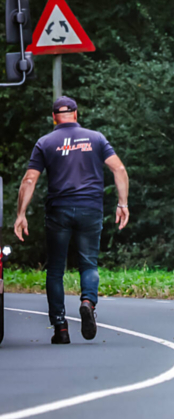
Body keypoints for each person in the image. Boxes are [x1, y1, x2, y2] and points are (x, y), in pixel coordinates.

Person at [13, 97, 129, 344]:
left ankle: (60, 328)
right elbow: (118, 169)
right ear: (76, 114)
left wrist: (21, 214)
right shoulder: (96, 138)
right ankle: (88, 301)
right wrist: (122, 204)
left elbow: (29, 180)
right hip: (90, 209)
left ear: (53, 117)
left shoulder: (45, 142)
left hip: (59, 211)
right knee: (89, 263)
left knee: (55, 270)